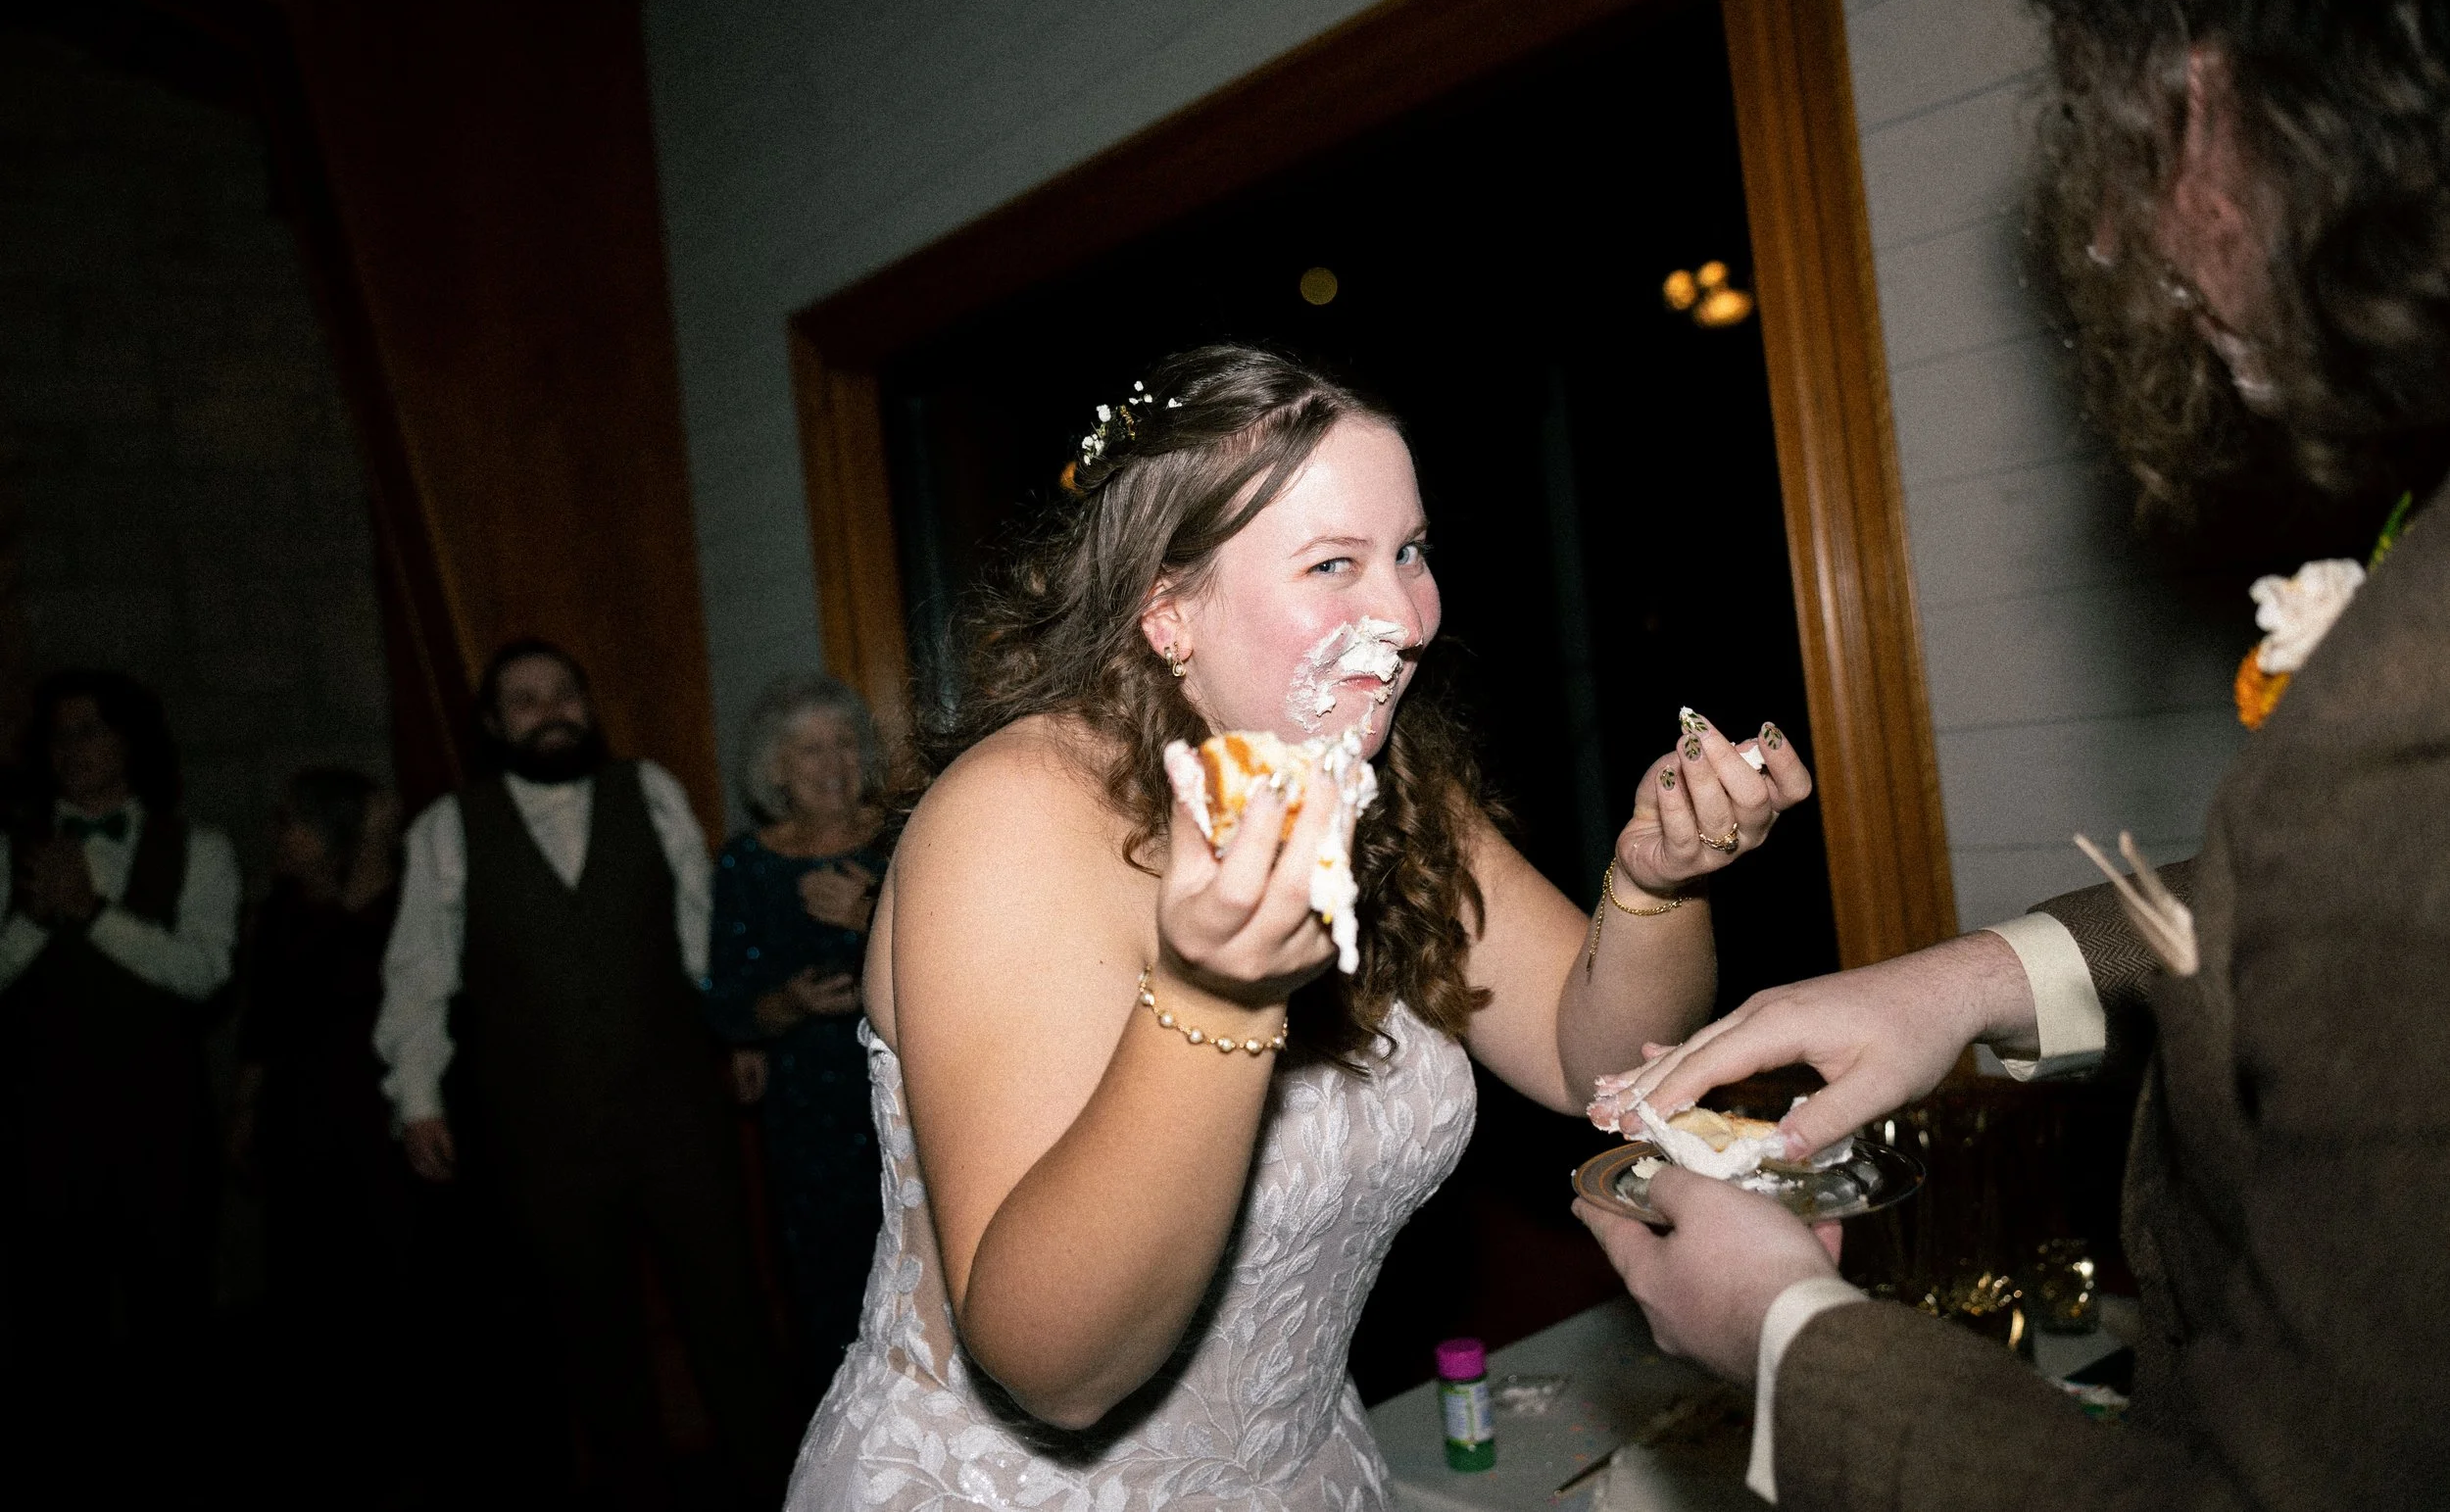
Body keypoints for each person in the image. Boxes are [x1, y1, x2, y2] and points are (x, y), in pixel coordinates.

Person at [1573, 0, 2450, 1508]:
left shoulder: (2410, 711)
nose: (2109, 227)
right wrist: (1970, 979)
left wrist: (1785, 1333)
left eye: (2146, 116)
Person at [788, 344, 1815, 1508]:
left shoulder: (1387, 786)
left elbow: (1603, 1062)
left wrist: (1652, 883)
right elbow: (1053, 1367)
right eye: (1334, 563)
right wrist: (1215, 998)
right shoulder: (1015, 817)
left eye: (1410, 552)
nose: (1404, 614)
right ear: (1166, 609)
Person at [373, 639, 788, 1506]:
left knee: (730, 1319)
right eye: (525, 700)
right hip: (543, 1133)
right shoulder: (449, 828)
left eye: (564, 693)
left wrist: (737, 1030)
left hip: (677, 1116)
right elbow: (417, 973)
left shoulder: (650, 792)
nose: (550, 710)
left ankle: (777, 1488)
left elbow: (698, 931)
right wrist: (415, 1097)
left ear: (589, 708)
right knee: (593, 1342)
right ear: (493, 724)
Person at [0, 670, 241, 1486]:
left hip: (160, 1127)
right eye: (62, 733)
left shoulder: (199, 848)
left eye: (93, 729)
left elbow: (204, 971)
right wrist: (36, 921)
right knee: (56, 1328)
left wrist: (97, 915)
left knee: (171, 1321)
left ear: (131, 742)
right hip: (42, 1131)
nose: (74, 748)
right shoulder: (10, 851)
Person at [707, 674, 890, 1399]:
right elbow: (726, 1003)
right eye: (809, 750)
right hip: (807, 1117)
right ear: (775, 769)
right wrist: (785, 1002)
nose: (832, 763)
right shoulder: (748, 865)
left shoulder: (903, 836)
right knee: (831, 1300)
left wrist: (868, 917)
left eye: (845, 742)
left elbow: (960, 962)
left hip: (906, 1093)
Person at [228, 768, 413, 1488]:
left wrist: (371, 838)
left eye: (293, 821)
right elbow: (263, 1021)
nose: (279, 836)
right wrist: (243, 1110)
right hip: (300, 1119)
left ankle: (398, 1444)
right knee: (308, 1281)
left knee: (389, 1279)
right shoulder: (283, 910)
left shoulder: (388, 904)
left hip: (375, 1119)